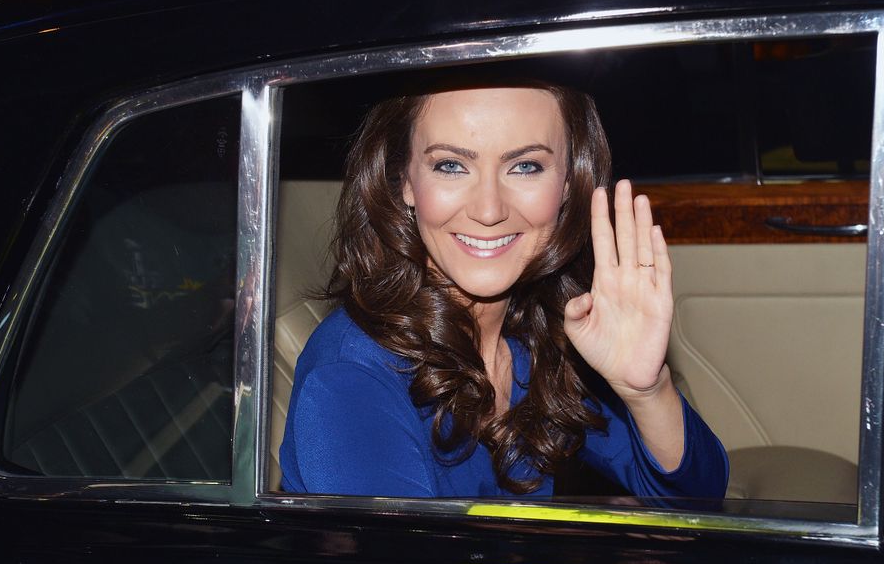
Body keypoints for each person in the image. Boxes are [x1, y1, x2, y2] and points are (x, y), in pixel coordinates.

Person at [279, 79, 728, 499]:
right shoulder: (350, 379)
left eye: (525, 166)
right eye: (451, 166)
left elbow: (698, 498)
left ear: (569, 182)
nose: (489, 209)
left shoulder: (541, 332)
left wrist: (645, 391)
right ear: (404, 183)